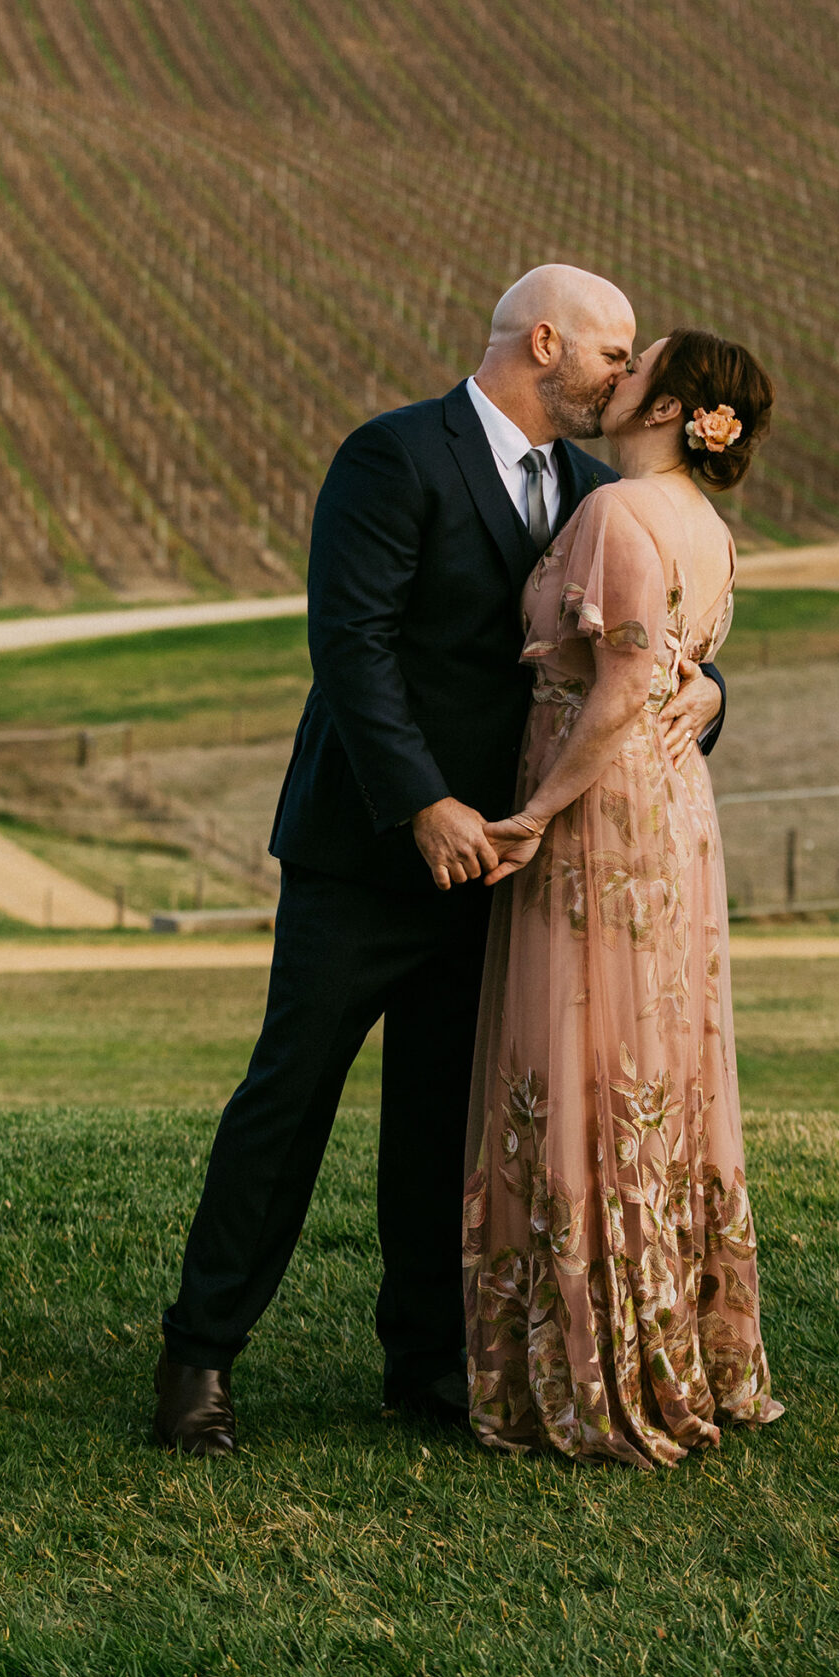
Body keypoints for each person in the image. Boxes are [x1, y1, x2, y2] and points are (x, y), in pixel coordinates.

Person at [153, 266, 725, 1455]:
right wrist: (422, 804)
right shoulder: (393, 454)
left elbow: (641, 645)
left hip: (508, 869)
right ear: (548, 342)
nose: (627, 376)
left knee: (441, 1123)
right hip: (366, 852)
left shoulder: (587, 486)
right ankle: (199, 1359)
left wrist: (712, 689)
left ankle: (422, 1364)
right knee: (287, 1100)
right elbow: (348, 644)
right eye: (614, 355)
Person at [463, 327, 785, 1466]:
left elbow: (618, 692)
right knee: (656, 1062)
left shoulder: (615, 515)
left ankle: (590, 1359)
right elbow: (678, 680)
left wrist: (538, 813)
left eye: (635, 363)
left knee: (588, 1057)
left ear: (668, 407)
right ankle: (674, 1337)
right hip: (677, 808)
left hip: (602, 809)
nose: (618, 373)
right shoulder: (707, 527)